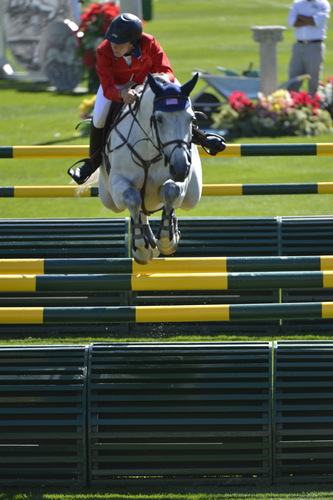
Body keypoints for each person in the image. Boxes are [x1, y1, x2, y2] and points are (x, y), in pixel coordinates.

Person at [69, 13, 226, 185]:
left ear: (132, 42)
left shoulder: (149, 43)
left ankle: (201, 136)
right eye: (112, 41)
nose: (114, 46)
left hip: (150, 81)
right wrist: (122, 94)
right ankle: (92, 163)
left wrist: (156, 87)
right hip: (118, 85)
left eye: (119, 43)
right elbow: (107, 86)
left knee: (180, 95)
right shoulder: (103, 50)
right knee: (98, 117)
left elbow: (166, 71)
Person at [287, 0, 331, 96]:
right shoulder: (297, 3)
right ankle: (293, 105)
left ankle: (313, 106)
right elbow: (292, 22)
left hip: (314, 46)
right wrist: (309, 20)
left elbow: (316, 21)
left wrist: (300, 17)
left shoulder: (322, 4)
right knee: (294, 78)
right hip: (299, 46)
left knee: (313, 80)